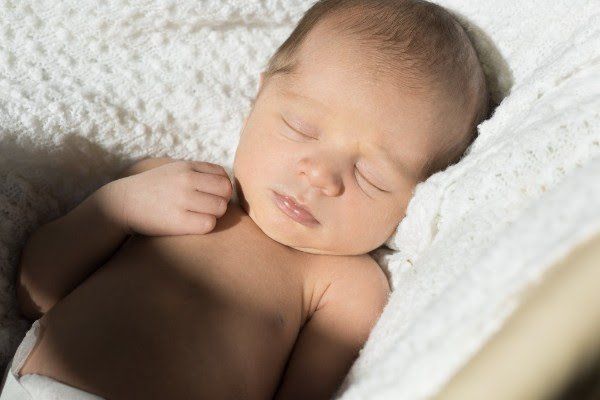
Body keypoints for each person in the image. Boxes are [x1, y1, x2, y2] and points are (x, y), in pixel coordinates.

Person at [3, 0, 490, 399]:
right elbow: (35, 292)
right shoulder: (164, 184)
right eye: (301, 128)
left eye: (371, 175)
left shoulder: (345, 284)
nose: (320, 175)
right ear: (259, 98)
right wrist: (114, 208)